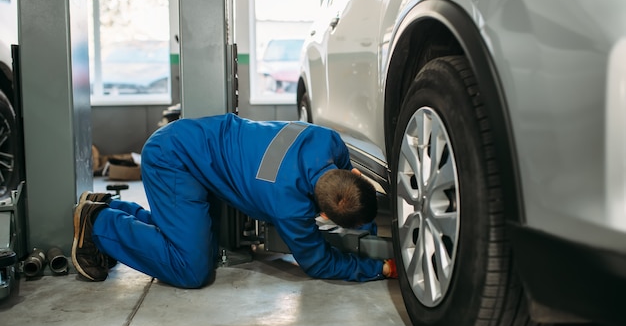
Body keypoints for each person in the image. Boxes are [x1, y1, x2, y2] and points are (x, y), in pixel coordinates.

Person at [72, 113, 397, 288]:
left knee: (202, 246)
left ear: (354, 173)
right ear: (322, 213)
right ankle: (98, 224)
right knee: (191, 268)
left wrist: (363, 223)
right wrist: (378, 267)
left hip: (189, 141)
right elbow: (319, 263)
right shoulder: (289, 205)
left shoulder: (327, 140)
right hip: (172, 159)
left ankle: (111, 206)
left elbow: (346, 196)